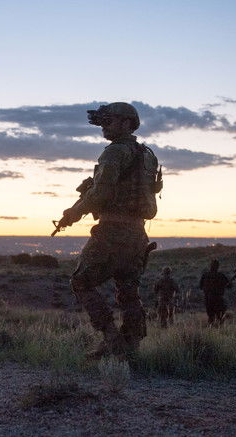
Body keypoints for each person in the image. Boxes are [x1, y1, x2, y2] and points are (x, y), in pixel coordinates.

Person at [58, 102, 162, 359]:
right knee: (128, 290)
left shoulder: (114, 152)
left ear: (127, 124)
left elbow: (101, 193)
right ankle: (131, 346)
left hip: (113, 231)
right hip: (138, 234)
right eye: (102, 122)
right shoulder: (147, 155)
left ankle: (112, 340)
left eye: (110, 121)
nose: (104, 126)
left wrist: (73, 213)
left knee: (81, 281)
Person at [199, 259, 230, 327]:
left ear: (210, 266)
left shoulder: (205, 275)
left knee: (211, 316)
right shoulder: (221, 276)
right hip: (218, 299)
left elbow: (200, 286)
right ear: (218, 267)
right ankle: (219, 329)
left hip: (208, 299)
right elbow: (229, 286)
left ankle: (211, 328)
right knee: (220, 317)